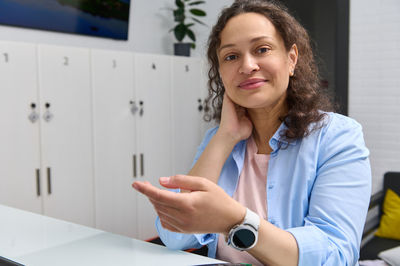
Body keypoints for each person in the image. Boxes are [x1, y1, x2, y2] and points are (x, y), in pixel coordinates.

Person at [132, 0, 371, 265]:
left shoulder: (337, 137)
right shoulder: (218, 138)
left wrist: (236, 220)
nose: (247, 66)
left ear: (291, 59)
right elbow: (176, 237)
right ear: (221, 73)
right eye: (231, 57)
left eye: (262, 49)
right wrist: (225, 137)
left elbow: (336, 256)